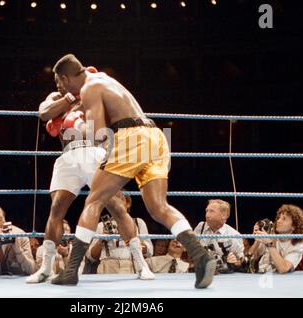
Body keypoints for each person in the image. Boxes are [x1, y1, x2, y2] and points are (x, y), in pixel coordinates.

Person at [50, 54, 215, 288]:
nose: (60, 88)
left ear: (66, 78)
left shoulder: (89, 88)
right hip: (155, 136)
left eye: (59, 83)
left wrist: (74, 124)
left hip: (131, 138)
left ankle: (71, 270)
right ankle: (201, 256)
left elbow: (98, 134)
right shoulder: (104, 79)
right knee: (159, 207)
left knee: (94, 201)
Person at [26, 69, 154, 283]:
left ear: (71, 78)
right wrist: (69, 98)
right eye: (55, 80)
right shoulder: (56, 98)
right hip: (68, 156)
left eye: (61, 79)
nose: (58, 83)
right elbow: (44, 113)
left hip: (94, 152)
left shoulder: (92, 93)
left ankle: (141, 265)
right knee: (56, 209)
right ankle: (45, 268)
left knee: (116, 207)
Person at [248, 204, 303, 274]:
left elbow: (283, 268)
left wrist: (269, 244)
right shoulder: (271, 235)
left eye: (284, 219)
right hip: (262, 277)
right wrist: (257, 241)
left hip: (282, 281)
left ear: (294, 226)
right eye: (279, 218)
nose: (278, 221)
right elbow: (251, 258)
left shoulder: (298, 245)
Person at [194, 199, 244, 273]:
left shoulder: (234, 235)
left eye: (211, 211)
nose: (207, 215)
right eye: (207, 211)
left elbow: (241, 260)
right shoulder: (201, 227)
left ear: (223, 216)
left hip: (225, 276)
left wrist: (235, 261)